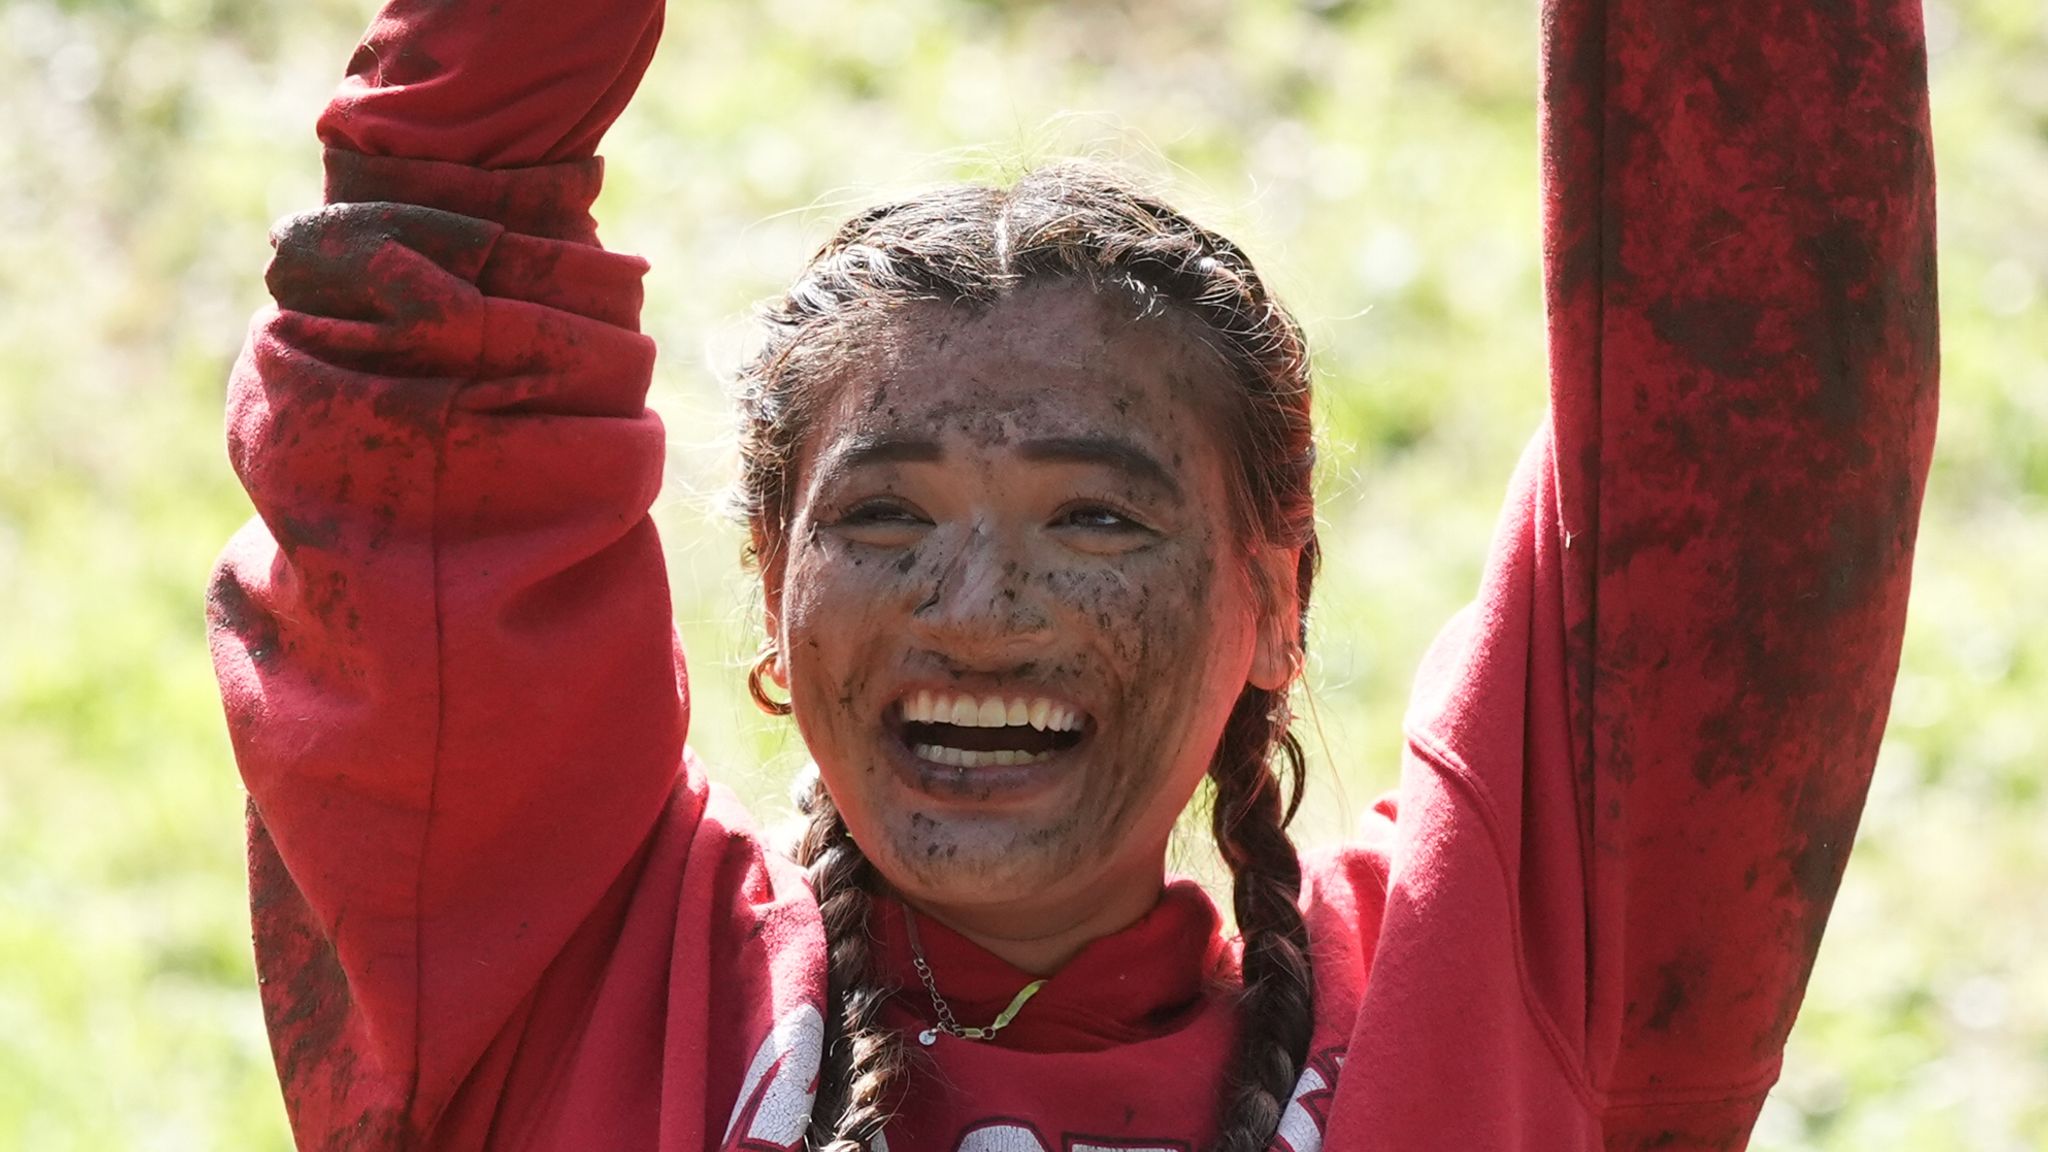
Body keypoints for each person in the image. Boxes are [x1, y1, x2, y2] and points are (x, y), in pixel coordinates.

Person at [205, 0, 1939, 1148]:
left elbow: (1756, 363)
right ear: (769, 595)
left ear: (1277, 598)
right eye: (882, 521)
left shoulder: (1507, 997)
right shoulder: (550, 977)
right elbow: (421, 342)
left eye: (1094, 520)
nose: (976, 604)